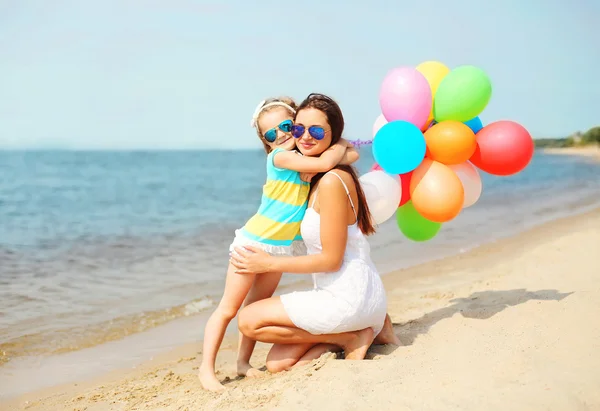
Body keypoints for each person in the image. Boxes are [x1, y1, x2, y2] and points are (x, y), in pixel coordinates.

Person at [198, 96, 360, 392]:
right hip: (253, 244)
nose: (282, 135)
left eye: (288, 126)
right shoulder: (281, 158)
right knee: (228, 309)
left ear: (297, 125)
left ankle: (243, 363)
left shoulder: (304, 157)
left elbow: (353, 156)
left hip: (280, 247)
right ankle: (206, 370)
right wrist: (336, 147)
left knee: (255, 306)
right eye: (271, 134)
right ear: (266, 142)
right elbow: (334, 158)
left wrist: (338, 146)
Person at [231, 93, 399, 374]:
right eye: (298, 129)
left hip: (347, 298)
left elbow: (332, 260)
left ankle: (354, 334)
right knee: (277, 364)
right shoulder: (313, 176)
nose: (305, 137)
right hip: (351, 295)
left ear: (332, 135)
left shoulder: (332, 181)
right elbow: (346, 150)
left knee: (248, 320)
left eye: (317, 131)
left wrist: (268, 263)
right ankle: (362, 332)